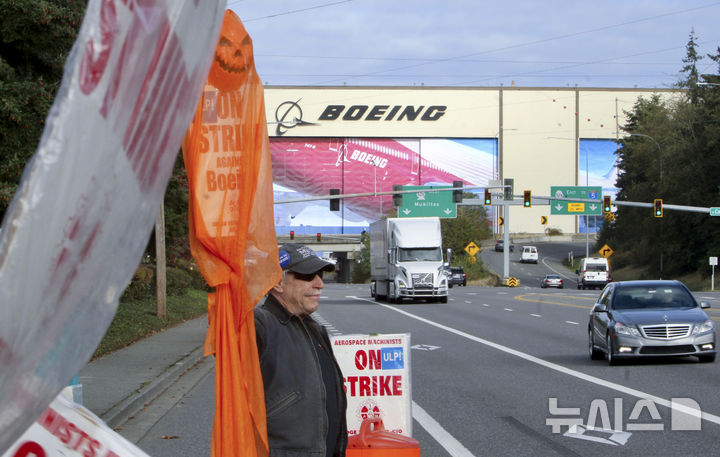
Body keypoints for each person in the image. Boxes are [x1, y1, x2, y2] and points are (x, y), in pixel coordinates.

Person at [254, 243, 347, 457]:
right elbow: (230, 334)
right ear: (278, 282)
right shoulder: (261, 323)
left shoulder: (313, 327)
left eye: (320, 274)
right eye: (308, 276)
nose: (320, 284)